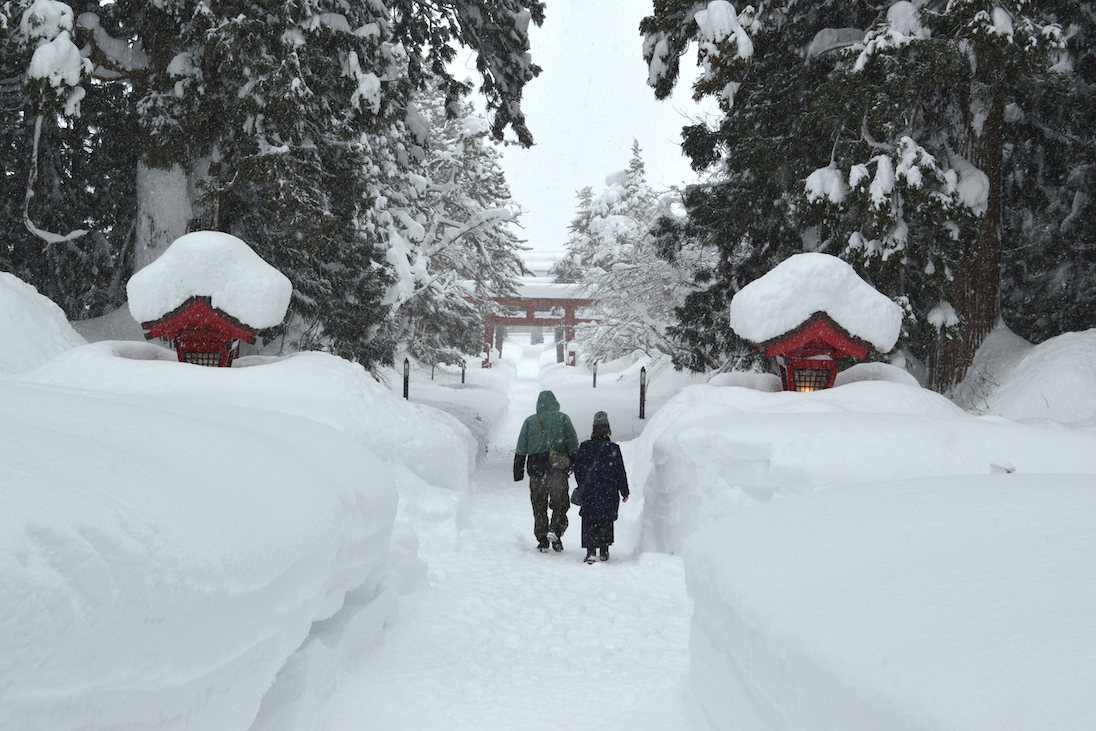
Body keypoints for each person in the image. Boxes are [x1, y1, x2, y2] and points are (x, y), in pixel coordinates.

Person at [514, 390, 580, 552]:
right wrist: (575, 463)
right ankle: (556, 531)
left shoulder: (530, 421)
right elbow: (573, 443)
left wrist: (518, 471)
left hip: (537, 469)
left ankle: (542, 537)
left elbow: (521, 447)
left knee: (539, 503)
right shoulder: (563, 419)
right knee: (560, 503)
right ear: (555, 403)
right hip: (557, 468)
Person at [572, 411, 629, 564]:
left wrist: (583, 483)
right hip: (608, 491)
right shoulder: (613, 448)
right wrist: (624, 491)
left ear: (593, 429)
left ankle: (590, 551)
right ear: (608, 430)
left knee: (589, 520)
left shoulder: (584, 447)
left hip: (590, 491)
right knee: (605, 520)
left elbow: (577, 468)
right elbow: (620, 471)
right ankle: (604, 550)